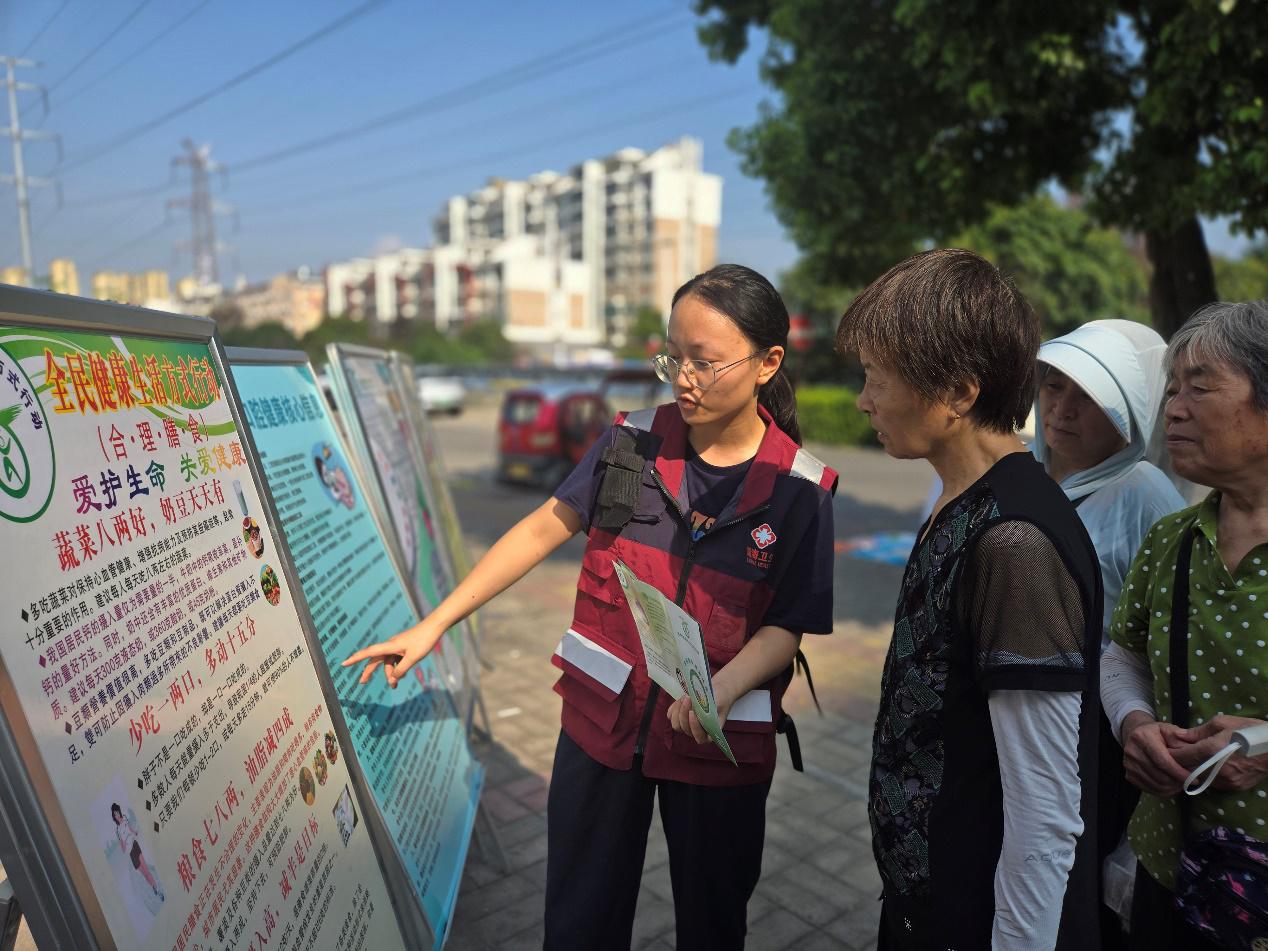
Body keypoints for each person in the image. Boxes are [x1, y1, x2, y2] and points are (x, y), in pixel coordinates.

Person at [344, 264, 837, 950]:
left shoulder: (799, 488)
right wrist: (433, 623)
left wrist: (720, 690)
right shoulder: (630, 444)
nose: (683, 378)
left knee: (712, 922)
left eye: (706, 362)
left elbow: (788, 624)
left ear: (767, 363)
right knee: (579, 919)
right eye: (674, 357)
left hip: (713, 739)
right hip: (603, 727)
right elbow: (541, 528)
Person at [837, 248, 1102, 950]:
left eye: (876, 379)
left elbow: (1045, 811)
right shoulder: (960, 501)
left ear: (957, 392)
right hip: (928, 905)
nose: (864, 400)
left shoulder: (1016, 543)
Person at [1099, 300, 1268, 950]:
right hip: (1169, 863)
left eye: (1200, 386)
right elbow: (1124, 655)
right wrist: (1134, 723)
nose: (1172, 408)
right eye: (1171, 389)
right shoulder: (1172, 536)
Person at [1033, 321, 1187, 939]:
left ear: (1130, 413)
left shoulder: (1143, 494)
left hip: (1098, 730)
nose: (1062, 410)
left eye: (1088, 398)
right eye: (1053, 387)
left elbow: (1155, 637)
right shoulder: (1042, 478)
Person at [112, 803, 162, 900]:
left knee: (146, 870)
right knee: (144, 874)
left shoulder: (125, 819)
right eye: (115, 814)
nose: (117, 815)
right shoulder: (117, 831)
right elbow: (122, 848)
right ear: (113, 816)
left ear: (119, 812)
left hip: (135, 845)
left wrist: (135, 832)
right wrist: (122, 844)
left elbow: (130, 829)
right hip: (131, 853)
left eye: (117, 812)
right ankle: (153, 888)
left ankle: (157, 889)